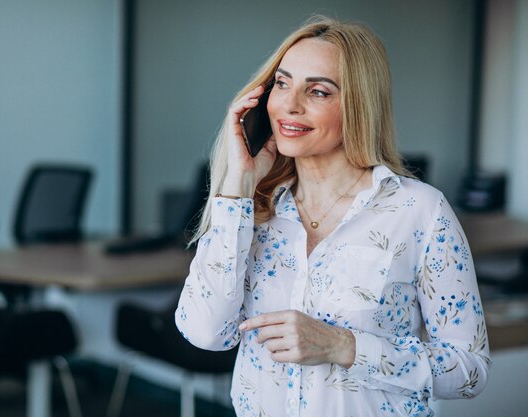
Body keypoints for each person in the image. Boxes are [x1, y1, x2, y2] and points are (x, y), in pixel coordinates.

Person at [175, 15, 491, 417]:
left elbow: (470, 372)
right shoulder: (250, 210)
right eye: (282, 84)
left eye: (319, 91)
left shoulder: (420, 211)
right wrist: (235, 185)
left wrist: (343, 346)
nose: (289, 105)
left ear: (360, 105)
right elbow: (206, 334)